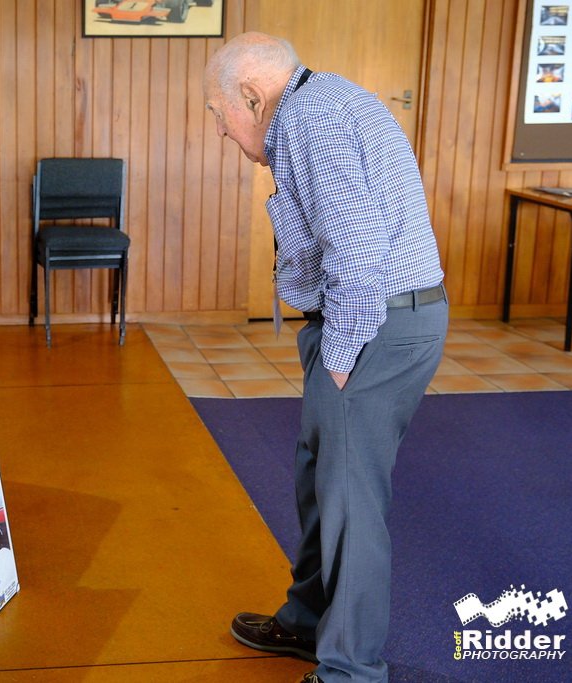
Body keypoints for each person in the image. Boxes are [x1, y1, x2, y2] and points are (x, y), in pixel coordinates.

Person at [202, 32, 448, 683]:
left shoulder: (311, 117)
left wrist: (339, 357)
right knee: (322, 478)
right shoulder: (324, 101)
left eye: (217, 112)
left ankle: (351, 670)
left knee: (348, 500)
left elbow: (359, 248)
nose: (221, 130)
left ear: (252, 98)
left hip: (376, 326)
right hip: (386, 319)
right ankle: (309, 619)